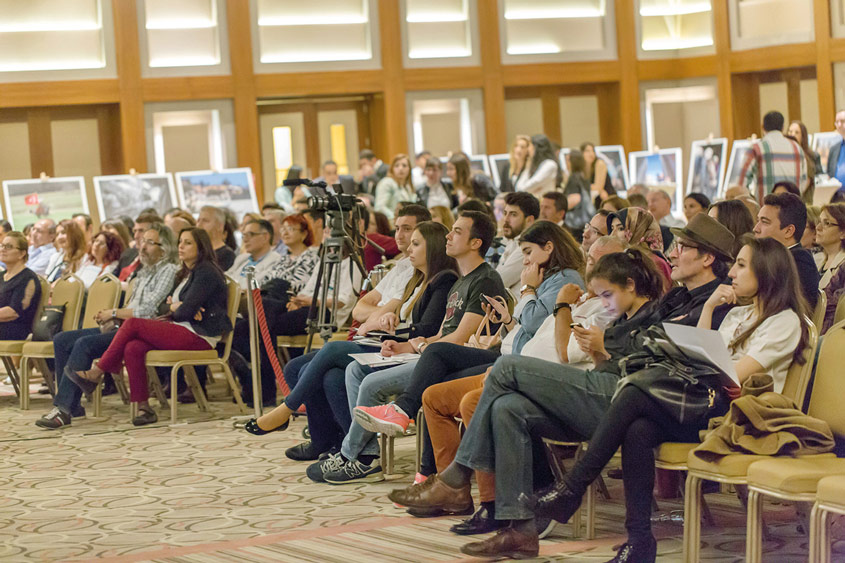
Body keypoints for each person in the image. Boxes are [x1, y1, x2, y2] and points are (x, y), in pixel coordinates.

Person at [530, 237, 808, 563]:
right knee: (638, 430)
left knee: (634, 390)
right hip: (704, 402)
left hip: (738, 416)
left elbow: (734, 374)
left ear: (768, 272)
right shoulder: (737, 315)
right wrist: (707, 309)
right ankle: (639, 542)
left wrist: (694, 353)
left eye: (742, 265)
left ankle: (571, 489)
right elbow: (700, 353)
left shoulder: (786, 321)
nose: (731, 272)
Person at [388, 246, 668, 559]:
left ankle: (457, 474)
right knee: (507, 407)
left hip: (625, 401)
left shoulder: (657, 313)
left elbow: (654, 358)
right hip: (603, 397)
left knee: (506, 367)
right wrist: (602, 353)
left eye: (607, 294)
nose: (602, 302)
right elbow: (608, 361)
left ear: (630, 285)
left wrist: (605, 343)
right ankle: (519, 530)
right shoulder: (622, 318)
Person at [413, 235, 625, 534]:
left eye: (529, 252)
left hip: (545, 380)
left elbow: (565, 351)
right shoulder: (580, 296)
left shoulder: (588, 298)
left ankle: (483, 498)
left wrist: (548, 299)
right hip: (514, 366)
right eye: (589, 260)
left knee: (473, 395)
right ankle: (464, 494)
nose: (590, 268)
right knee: (434, 395)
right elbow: (531, 334)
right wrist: (512, 324)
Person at [309, 211, 507, 484]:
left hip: (461, 359)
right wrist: (407, 347)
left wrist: (422, 347)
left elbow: (460, 339)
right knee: (354, 370)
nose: (449, 235)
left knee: (369, 382)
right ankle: (366, 456)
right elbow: (441, 334)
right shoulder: (461, 280)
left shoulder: (484, 279)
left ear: (476, 243)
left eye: (458, 232)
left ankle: (353, 454)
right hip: (436, 354)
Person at [353, 220, 586, 438]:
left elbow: (534, 324)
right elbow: (523, 329)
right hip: (508, 355)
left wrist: (527, 289)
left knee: (433, 370)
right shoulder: (463, 281)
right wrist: (507, 320)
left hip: (523, 364)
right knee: (428, 377)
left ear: (548, 248)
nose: (525, 261)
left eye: (528, 252)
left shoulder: (563, 279)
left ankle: (394, 424)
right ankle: (409, 448)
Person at [243, 221, 458, 439]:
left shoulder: (444, 280)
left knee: (332, 358)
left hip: (403, 350)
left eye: (415, 243)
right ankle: (327, 441)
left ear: (433, 247)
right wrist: (378, 322)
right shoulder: (416, 278)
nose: (408, 248)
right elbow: (363, 310)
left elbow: (425, 328)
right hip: (384, 340)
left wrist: (382, 324)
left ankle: (290, 410)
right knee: (295, 368)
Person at [70, 228, 231, 426]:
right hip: (182, 328)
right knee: (133, 347)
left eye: (188, 243)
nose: (181, 246)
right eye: (180, 241)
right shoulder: (187, 272)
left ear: (201, 247)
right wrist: (176, 305)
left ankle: (98, 371)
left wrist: (180, 306)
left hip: (200, 336)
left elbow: (184, 312)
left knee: (133, 324)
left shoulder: (206, 271)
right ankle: (143, 407)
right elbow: (165, 306)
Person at [35, 224, 179, 429]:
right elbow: (134, 307)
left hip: (145, 331)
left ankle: (63, 408)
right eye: (142, 241)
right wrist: (116, 318)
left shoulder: (168, 270)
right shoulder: (144, 273)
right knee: (62, 339)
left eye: (149, 242)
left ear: (164, 249)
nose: (142, 246)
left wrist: (113, 313)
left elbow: (148, 310)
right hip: (125, 326)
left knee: (84, 344)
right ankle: (73, 405)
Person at [752, 192, 820, 309]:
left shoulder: (800, 263)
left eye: (764, 222)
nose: (756, 228)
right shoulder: (773, 257)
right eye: (758, 221)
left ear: (788, 231)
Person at [740, 110, 807, 201]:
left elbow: (741, 183)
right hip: (792, 209)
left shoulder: (756, 148)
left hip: (765, 209)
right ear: (783, 127)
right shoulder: (797, 148)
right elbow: (803, 183)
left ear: (762, 127)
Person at [607, 207, 673, 291]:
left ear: (638, 229)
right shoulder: (623, 258)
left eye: (621, 228)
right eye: (612, 229)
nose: (612, 234)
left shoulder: (654, 262)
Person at [0, 231, 42, 340]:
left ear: (22, 253)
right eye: (2, 245)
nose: (3, 249)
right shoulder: (1, 275)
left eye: (8, 247)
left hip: (15, 329)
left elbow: (13, 312)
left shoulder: (28, 278)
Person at [497, 192, 538, 295]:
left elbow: (499, 281)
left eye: (513, 214)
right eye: (505, 213)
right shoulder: (513, 240)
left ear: (529, 220)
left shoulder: (530, 246)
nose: (506, 219)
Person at [226, 219, 282, 290]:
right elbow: (225, 279)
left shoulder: (277, 262)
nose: (245, 240)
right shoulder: (242, 259)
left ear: (265, 237)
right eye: (244, 235)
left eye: (250, 235)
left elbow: (254, 288)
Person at [817, 203, 845, 332]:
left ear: (843, 233)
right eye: (819, 222)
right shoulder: (815, 260)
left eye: (826, 223)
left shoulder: (843, 267)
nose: (818, 227)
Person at [115, 212, 162, 282]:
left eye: (141, 231)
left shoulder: (157, 261)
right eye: (135, 231)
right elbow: (111, 279)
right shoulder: (128, 254)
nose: (136, 236)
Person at [787, 119, 821, 205]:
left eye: (796, 132)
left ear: (803, 136)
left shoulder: (808, 157)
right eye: (790, 131)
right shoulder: (786, 155)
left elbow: (804, 185)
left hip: (802, 202)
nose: (792, 135)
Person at [374, 154, 416, 220]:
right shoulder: (386, 183)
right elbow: (379, 207)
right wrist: (396, 218)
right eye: (397, 165)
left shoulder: (408, 187)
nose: (400, 168)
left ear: (409, 169)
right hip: (391, 222)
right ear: (392, 169)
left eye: (404, 165)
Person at [196, 206, 236, 270]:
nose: (199, 225)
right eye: (198, 221)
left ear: (219, 226)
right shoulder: (200, 252)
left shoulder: (226, 255)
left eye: (205, 221)